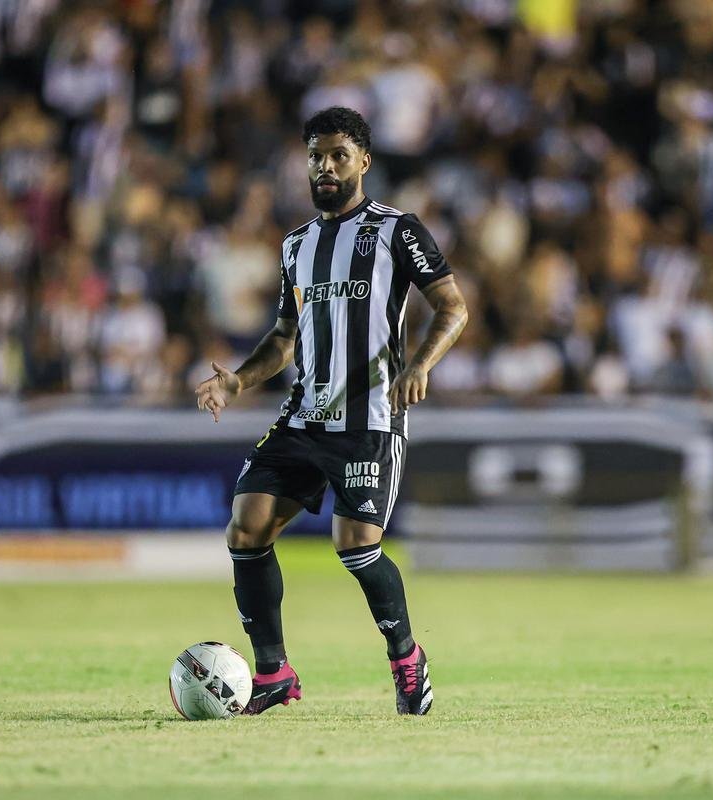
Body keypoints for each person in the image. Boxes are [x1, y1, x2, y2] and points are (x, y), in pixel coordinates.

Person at [194, 107, 469, 716]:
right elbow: (284, 338)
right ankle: (273, 673)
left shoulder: (398, 230)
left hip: (369, 418)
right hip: (305, 415)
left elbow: (452, 307)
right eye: (316, 156)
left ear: (363, 160)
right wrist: (238, 380)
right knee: (246, 528)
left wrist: (420, 364)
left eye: (338, 155)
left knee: (355, 545)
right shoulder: (296, 245)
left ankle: (407, 660)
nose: (325, 166)